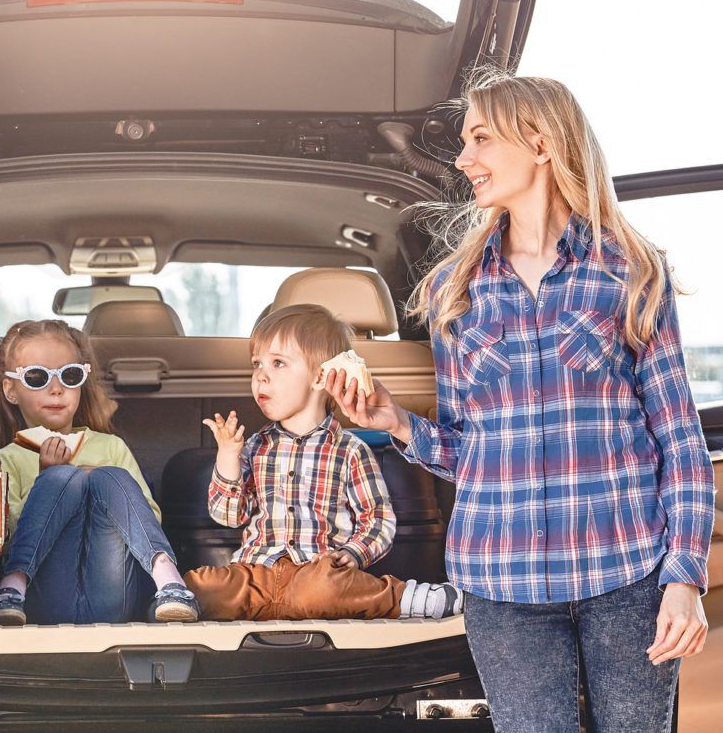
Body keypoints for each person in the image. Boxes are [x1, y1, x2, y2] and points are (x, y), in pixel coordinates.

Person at [325, 68, 714, 733]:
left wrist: (685, 576)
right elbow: (467, 451)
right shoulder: (457, 289)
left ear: (539, 142)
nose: (463, 158)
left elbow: (679, 439)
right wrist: (393, 421)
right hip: (501, 584)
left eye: (479, 138)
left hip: (625, 572)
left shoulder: (631, 269)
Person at [184, 304, 462, 621]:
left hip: (316, 570)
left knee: (330, 588)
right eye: (257, 364)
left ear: (320, 377)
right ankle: (177, 597)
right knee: (203, 585)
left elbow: (377, 520)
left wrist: (354, 553)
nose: (261, 375)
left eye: (277, 363)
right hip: (255, 574)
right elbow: (230, 516)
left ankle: (409, 597)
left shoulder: (349, 450)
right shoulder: (253, 447)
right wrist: (228, 457)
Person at [0, 319, 198, 625]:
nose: (56, 389)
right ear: (11, 390)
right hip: (38, 601)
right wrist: (49, 483)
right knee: (60, 478)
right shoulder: (5, 459)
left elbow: (151, 517)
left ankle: (169, 580)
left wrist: (98, 484)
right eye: (37, 377)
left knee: (111, 477)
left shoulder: (111, 446)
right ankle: (12, 586)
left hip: (113, 592)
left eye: (69, 376)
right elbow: (3, 538)